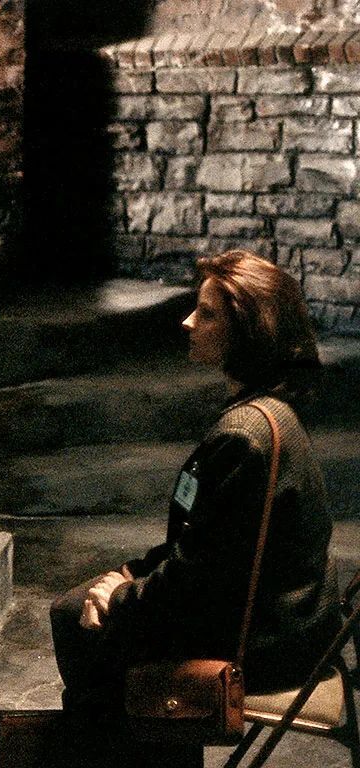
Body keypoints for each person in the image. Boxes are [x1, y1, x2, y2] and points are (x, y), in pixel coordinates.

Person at [50, 249, 340, 716]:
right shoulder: (266, 411)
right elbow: (205, 544)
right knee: (86, 604)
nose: (188, 322)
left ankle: (124, 741)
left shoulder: (244, 435)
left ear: (247, 331)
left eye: (206, 314)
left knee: (76, 616)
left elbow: (200, 578)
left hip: (265, 647)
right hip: (288, 627)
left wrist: (121, 597)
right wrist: (130, 574)